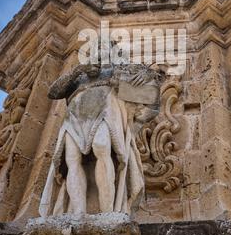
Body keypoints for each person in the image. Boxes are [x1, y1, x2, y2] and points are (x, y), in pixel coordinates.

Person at [39, 61, 162, 217]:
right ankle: (78, 212)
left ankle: (107, 211)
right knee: (72, 159)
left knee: (101, 146)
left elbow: (151, 98)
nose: (99, 50)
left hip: (105, 111)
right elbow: (53, 92)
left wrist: (147, 75)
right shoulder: (79, 76)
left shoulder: (120, 69)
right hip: (75, 114)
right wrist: (77, 70)